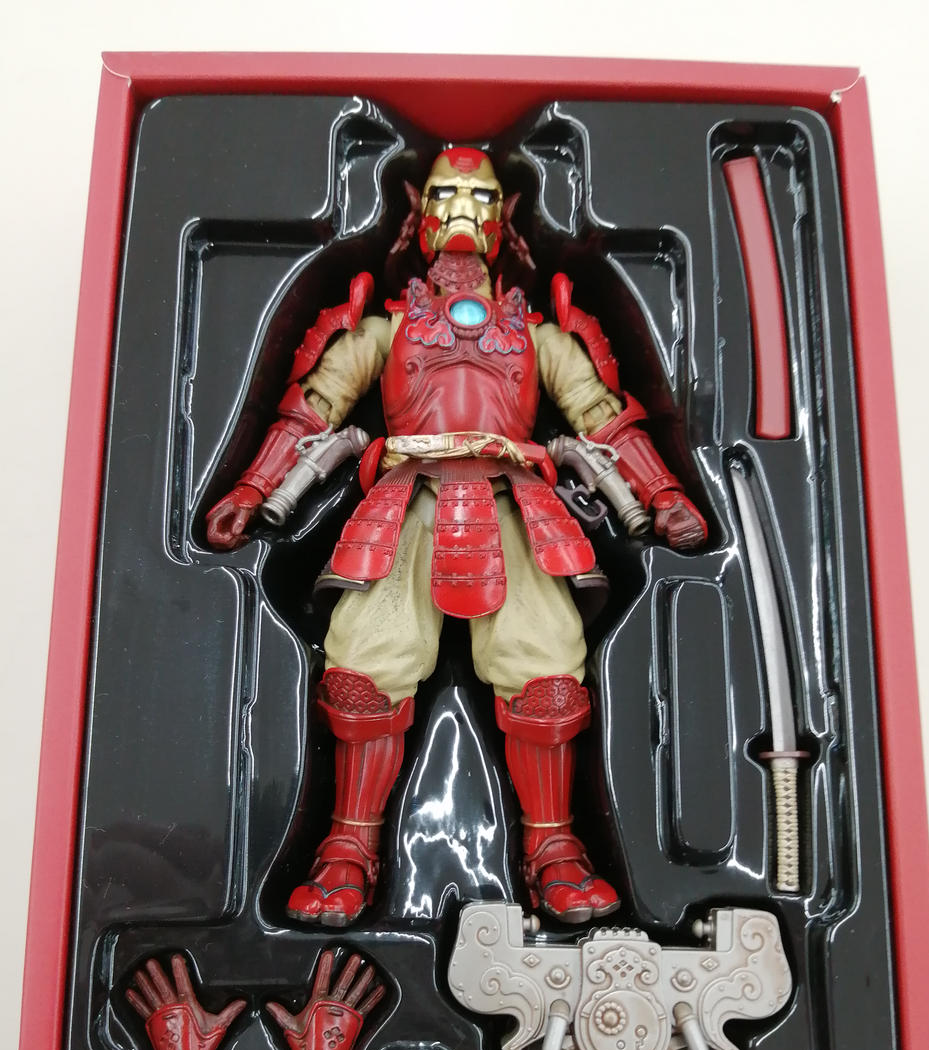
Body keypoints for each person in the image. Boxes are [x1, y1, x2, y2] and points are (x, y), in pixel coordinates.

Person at [207, 147, 706, 928]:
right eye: (446, 197)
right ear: (419, 212)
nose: (462, 214)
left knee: (546, 671)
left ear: (506, 218)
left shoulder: (540, 336)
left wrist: (665, 495)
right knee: (364, 667)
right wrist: (250, 488)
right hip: (406, 503)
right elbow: (312, 409)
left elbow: (603, 417)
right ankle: (348, 847)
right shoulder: (385, 329)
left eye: (479, 199)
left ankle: (553, 849)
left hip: (514, 504)